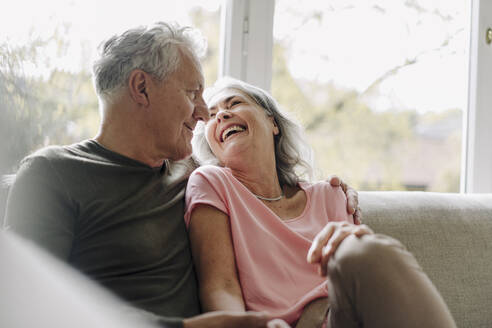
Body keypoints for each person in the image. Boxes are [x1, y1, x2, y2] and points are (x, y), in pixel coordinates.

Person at [3, 22, 356, 328]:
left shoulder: (196, 178)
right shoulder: (53, 174)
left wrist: (339, 196)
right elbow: (24, 307)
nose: (204, 113)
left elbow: (269, 191)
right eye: (193, 93)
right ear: (141, 88)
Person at [185, 77, 458, 328]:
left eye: (235, 103)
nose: (221, 114)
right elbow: (220, 285)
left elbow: (355, 279)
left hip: (340, 318)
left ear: (273, 123)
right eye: (211, 116)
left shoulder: (330, 195)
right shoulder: (211, 183)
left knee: (366, 249)